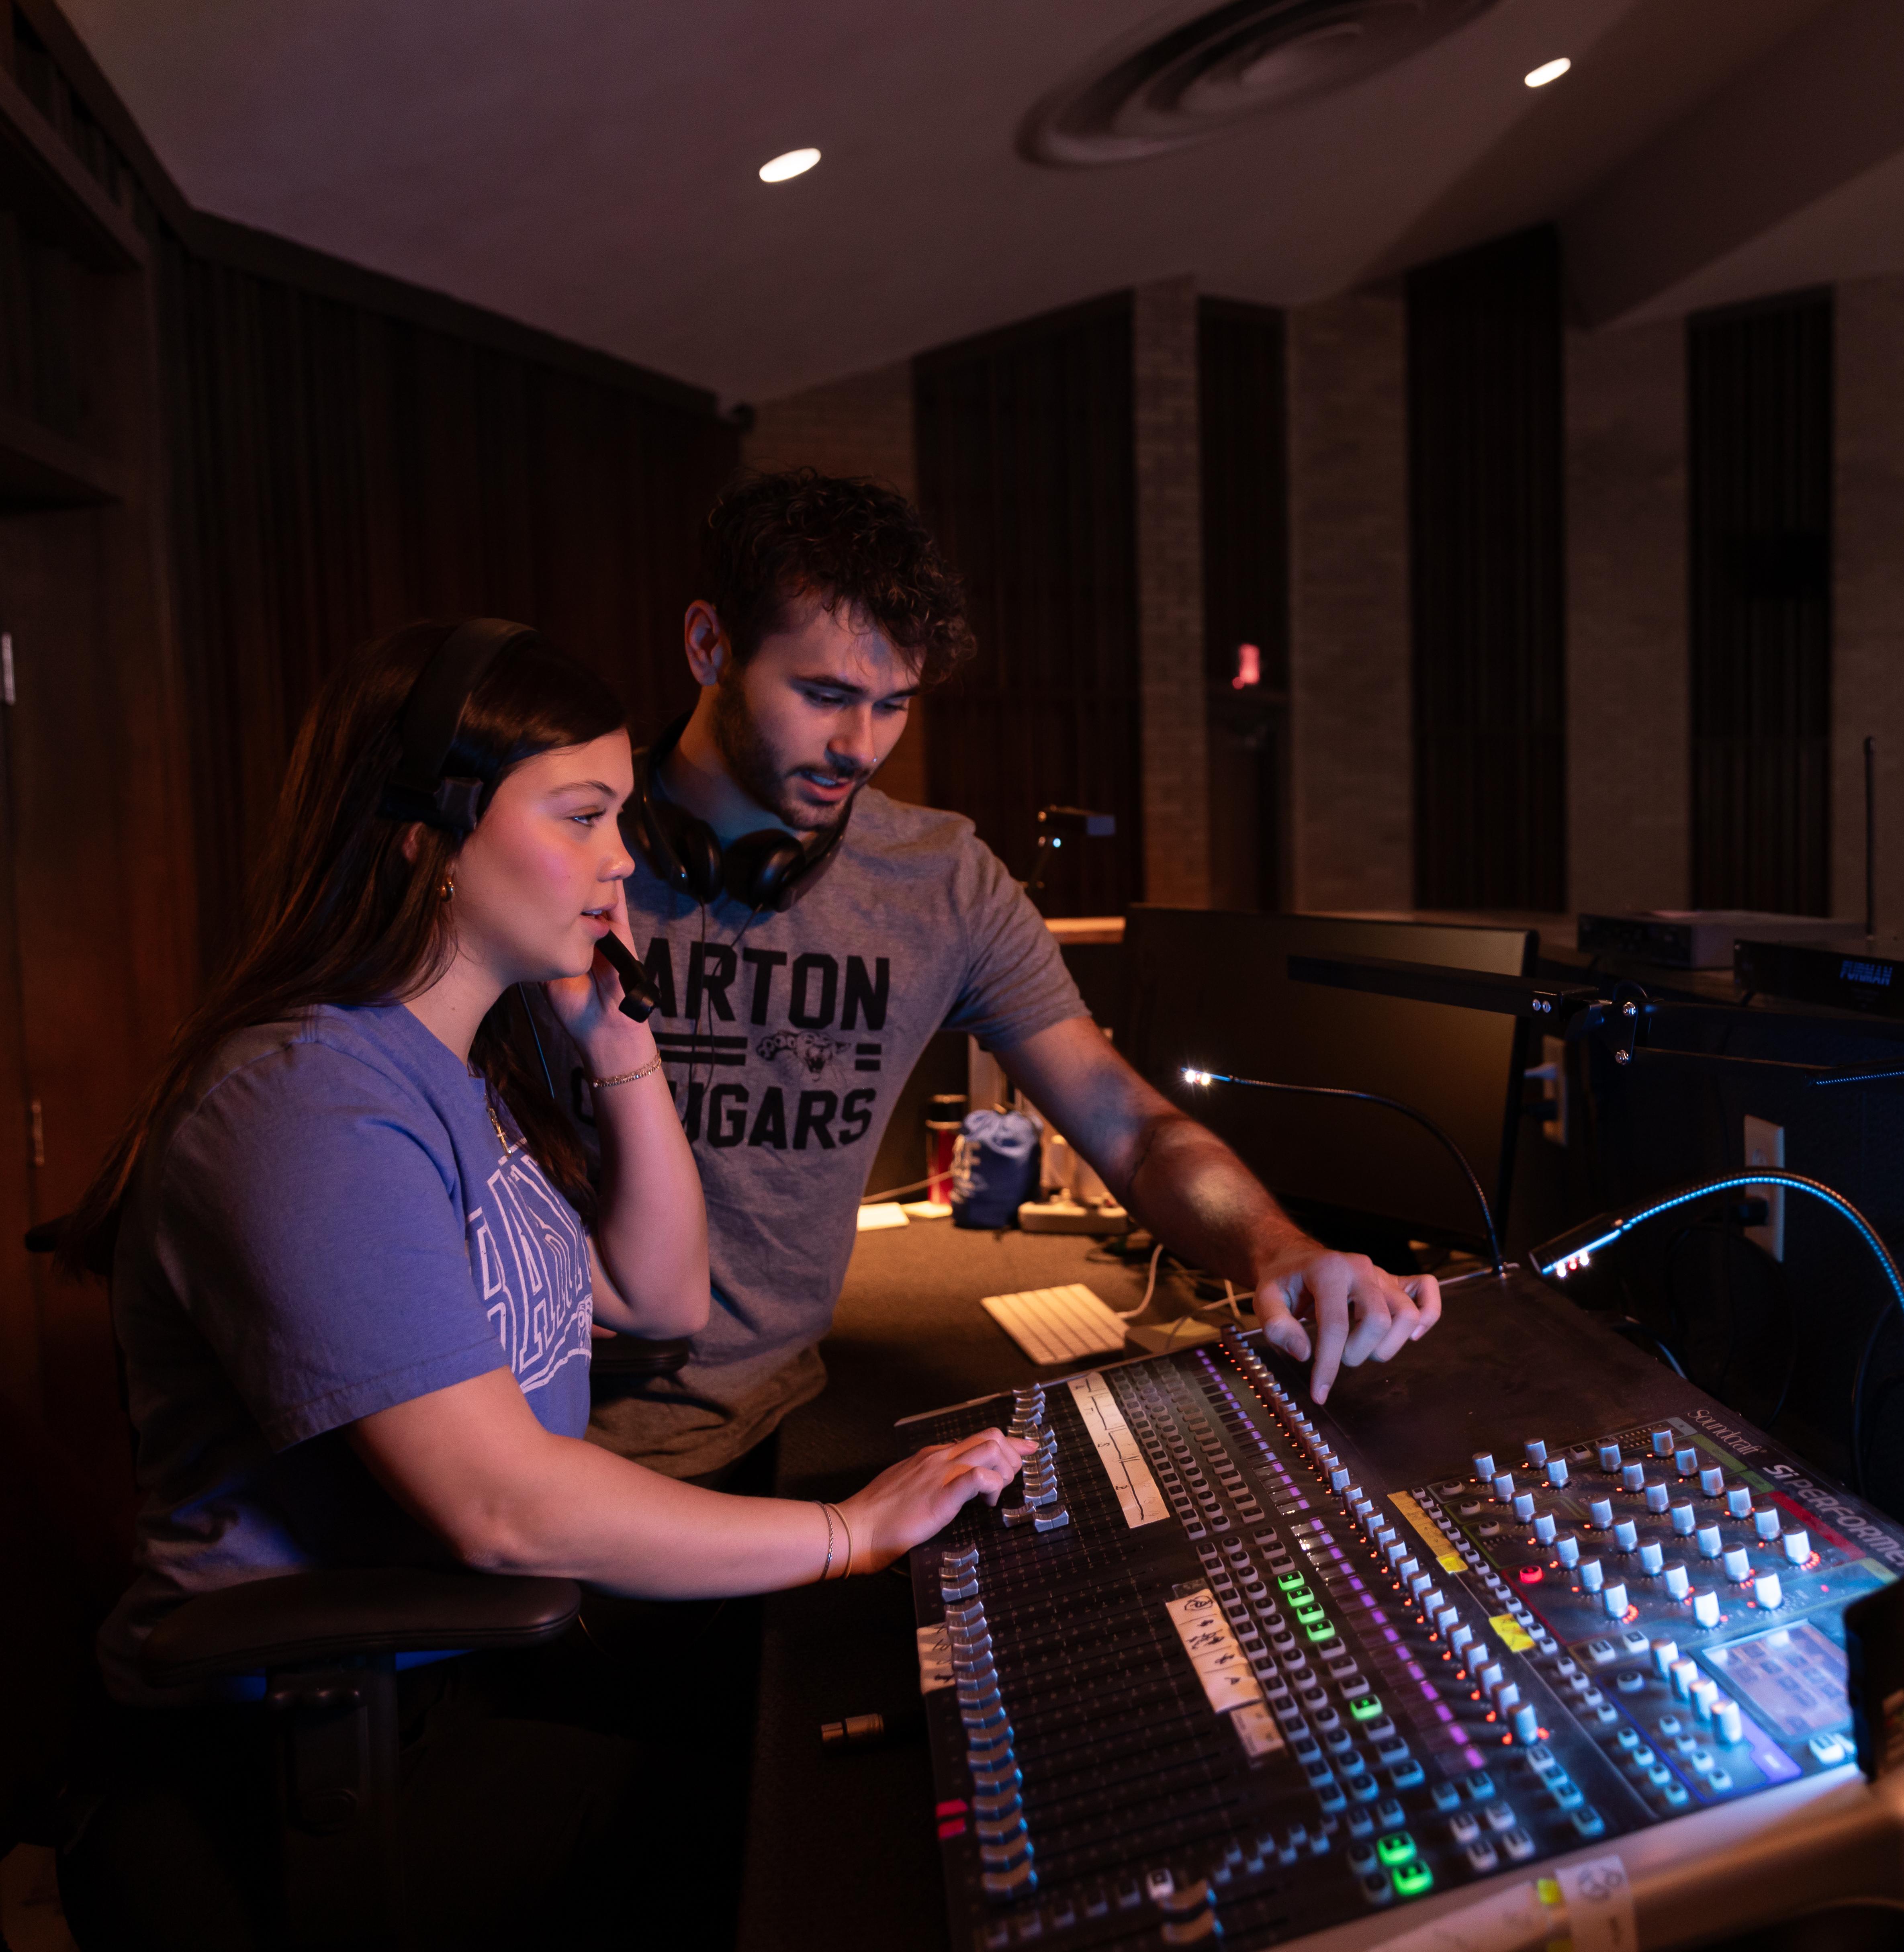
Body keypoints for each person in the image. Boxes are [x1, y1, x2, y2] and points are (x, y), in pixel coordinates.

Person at [55, 619, 1032, 1950]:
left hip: (452, 1686)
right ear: (427, 835)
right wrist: (846, 1536)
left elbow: (662, 1288)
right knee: (836, 1870)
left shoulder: (446, 1077)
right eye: (581, 815)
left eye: (621, 814)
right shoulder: (309, 1103)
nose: (622, 858)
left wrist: (616, 1038)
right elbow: (502, 1504)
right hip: (299, 1762)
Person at [585, 468, 1440, 1483]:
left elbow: (1133, 1126)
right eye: (822, 697)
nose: (859, 747)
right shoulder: (558, 848)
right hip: (536, 1432)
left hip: (760, 1429)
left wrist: (1274, 1249)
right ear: (709, 644)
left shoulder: (940, 880)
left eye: (893, 704)